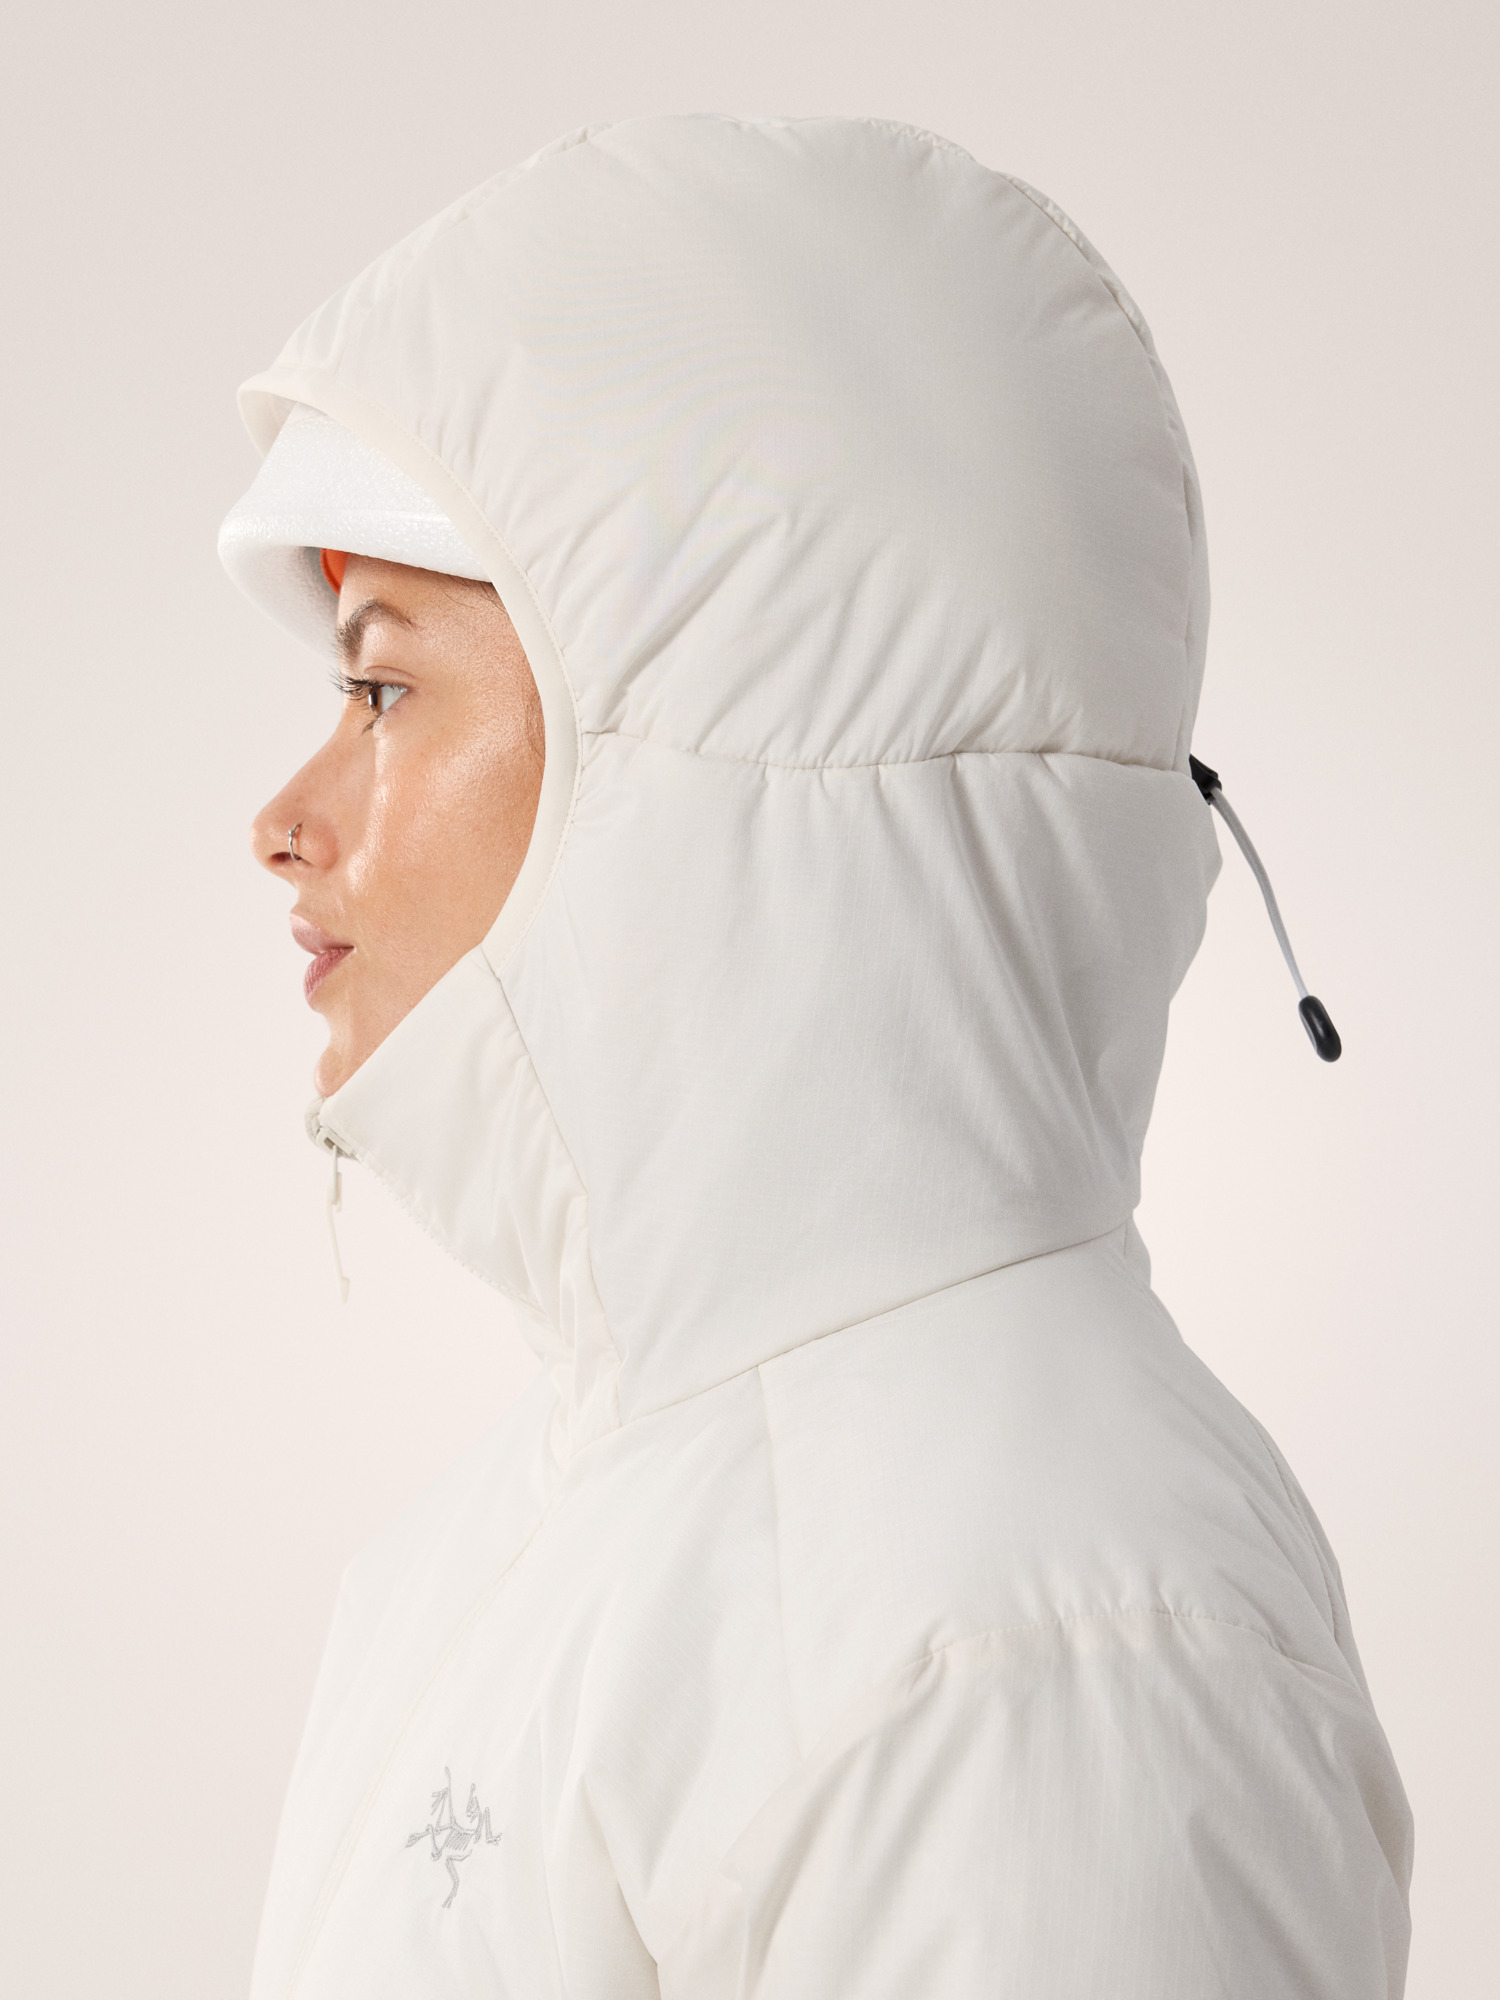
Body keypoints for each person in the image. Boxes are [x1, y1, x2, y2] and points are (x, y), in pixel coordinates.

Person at [220, 115, 1412, 1998]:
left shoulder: (1039, 1643)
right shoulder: (545, 1530)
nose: (285, 822)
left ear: (692, 762)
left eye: (382, 686)